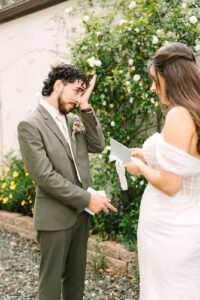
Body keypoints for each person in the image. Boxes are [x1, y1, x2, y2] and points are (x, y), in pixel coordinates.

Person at [17, 64, 117, 300]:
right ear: (58, 85)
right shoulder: (30, 125)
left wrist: (86, 107)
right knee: (50, 286)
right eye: (77, 91)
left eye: (83, 92)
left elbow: (97, 145)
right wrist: (88, 199)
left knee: (76, 284)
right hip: (54, 218)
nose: (78, 97)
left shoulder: (75, 119)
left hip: (80, 216)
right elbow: (45, 176)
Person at [125, 42, 200, 300]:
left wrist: (140, 167)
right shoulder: (194, 112)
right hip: (184, 222)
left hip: (170, 228)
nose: (152, 87)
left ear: (169, 77)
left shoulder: (179, 115)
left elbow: (170, 185)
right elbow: (185, 163)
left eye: (154, 79)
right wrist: (148, 155)